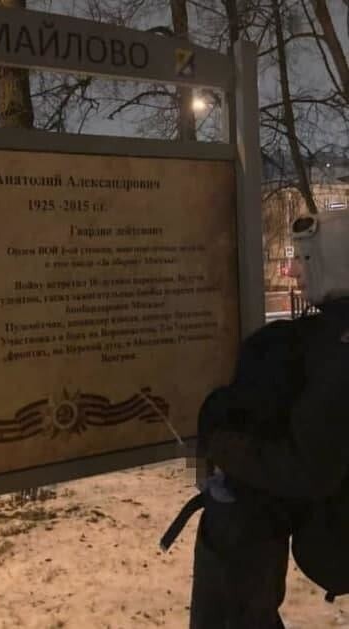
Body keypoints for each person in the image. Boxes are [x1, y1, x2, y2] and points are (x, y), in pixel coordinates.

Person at [181, 210, 349, 628]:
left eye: (305, 260)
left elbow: (308, 467)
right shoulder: (325, 342)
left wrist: (224, 445)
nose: (294, 271)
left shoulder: (334, 351)